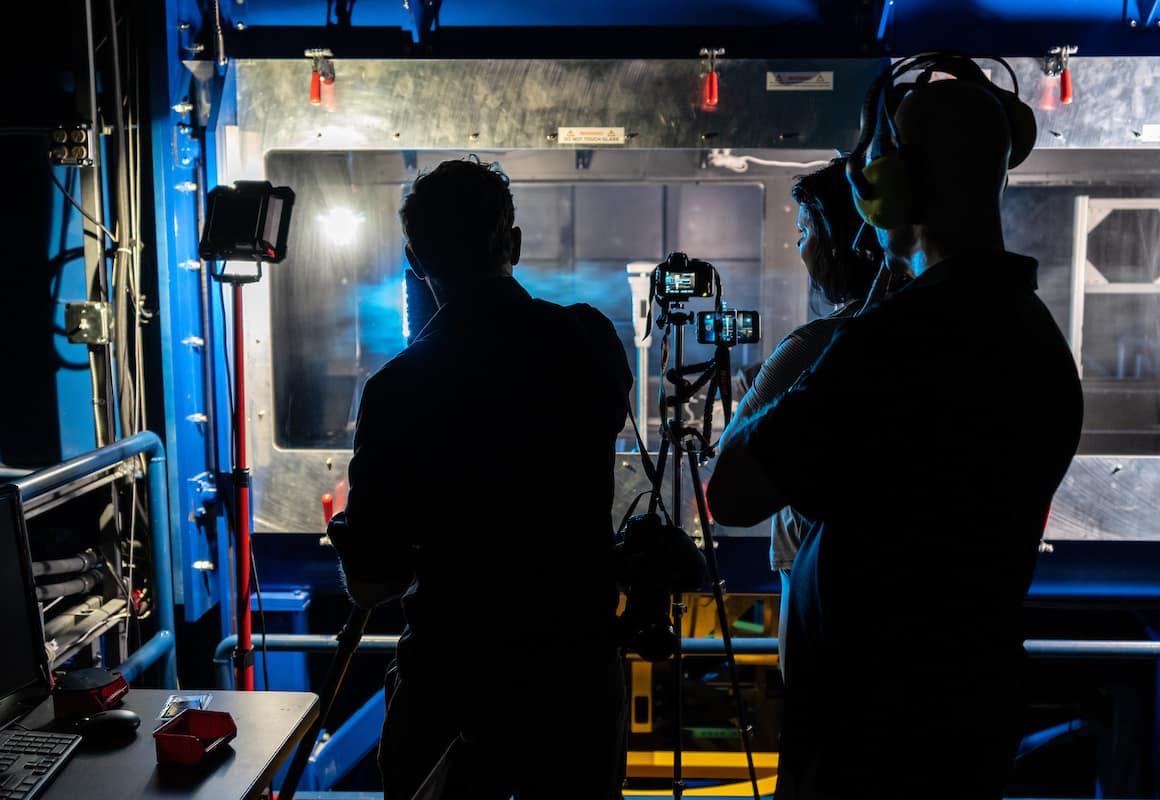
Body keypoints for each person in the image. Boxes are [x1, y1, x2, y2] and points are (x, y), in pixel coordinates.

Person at [706, 60, 1084, 800]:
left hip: (866, 739)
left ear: (892, 187)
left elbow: (734, 491)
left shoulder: (892, 345)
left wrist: (837, 344)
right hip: (964, 717)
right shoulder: (1035, 340)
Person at [329, 157, 632, 800]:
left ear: (414, 259)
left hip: (452, 695)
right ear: (514, 245)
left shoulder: (397, 391)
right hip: (574, 687)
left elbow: (374, 582)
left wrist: (354, 532)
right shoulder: (589, 340)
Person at [718, 156, 892, 679]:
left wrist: (765, 399)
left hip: (816, 570)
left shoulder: (812, 345)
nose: (799, 247)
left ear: (840, 242)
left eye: (803, 231)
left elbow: (730, 470)